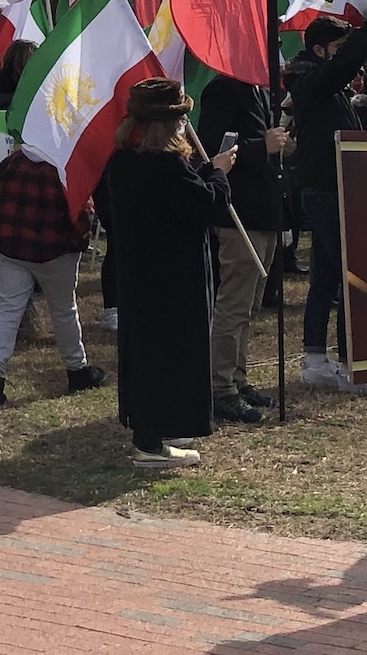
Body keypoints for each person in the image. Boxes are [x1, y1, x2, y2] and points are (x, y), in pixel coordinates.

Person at [105, 78, 235, 468]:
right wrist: (219, 171)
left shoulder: (122, 159)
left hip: (139, 273)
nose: (184, 126)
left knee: (149, 354)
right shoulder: (164, 164)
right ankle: (150, 439)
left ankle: (158, 427)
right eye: (179, 120)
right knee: (170, 355)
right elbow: (207, 204)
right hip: (171, 277)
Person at [285, 0, 367, 392]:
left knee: (328, 275)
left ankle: (316, 357)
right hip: (325, 191)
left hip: (338, 188)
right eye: (336, 50)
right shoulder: (312, 83)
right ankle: (356, 368)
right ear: (319, 51)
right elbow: (346, 64)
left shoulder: (329, 89)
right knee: (348, 274)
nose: (345, 63)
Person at [0, 145, 105, 407]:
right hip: (56, 252)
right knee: (64, 310)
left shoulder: (12, 162)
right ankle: (76, 369)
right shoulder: (65, 166)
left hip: (12, 249)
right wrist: (77, 241)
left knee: (8, 311)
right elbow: (83, 212)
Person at [197, 74, 289, 424]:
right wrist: (259, 146)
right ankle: (220, 386)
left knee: (250, 305)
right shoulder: (224, 88)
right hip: (240, 213)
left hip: (264, 211)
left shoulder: (262, 91)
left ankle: (237, 377)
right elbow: (210, 149)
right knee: (234, 304)